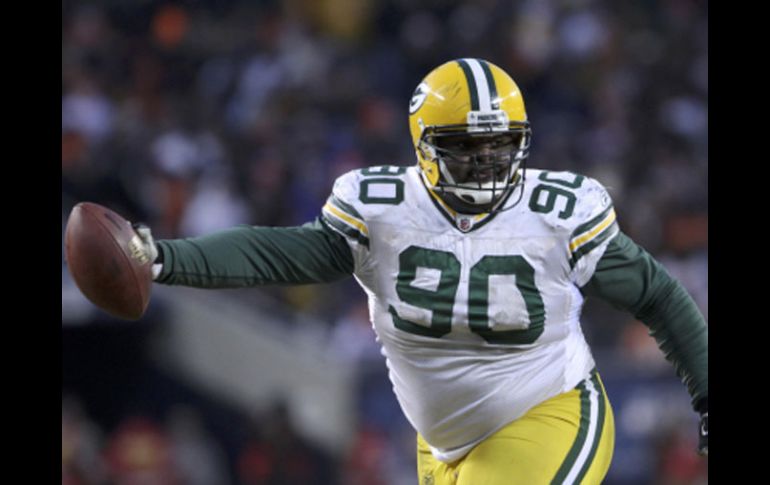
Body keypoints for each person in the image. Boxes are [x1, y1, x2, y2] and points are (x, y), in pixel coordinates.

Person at [133, 58, 708, 484]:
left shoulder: (557, 214)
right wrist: (165, 258)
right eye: (467, 148)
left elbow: (658, 296)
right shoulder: (383, 210)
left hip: (550, 412)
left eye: (499, 146)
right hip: (442, 443)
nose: (486, 164)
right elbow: (277, 253)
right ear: (424, 147)